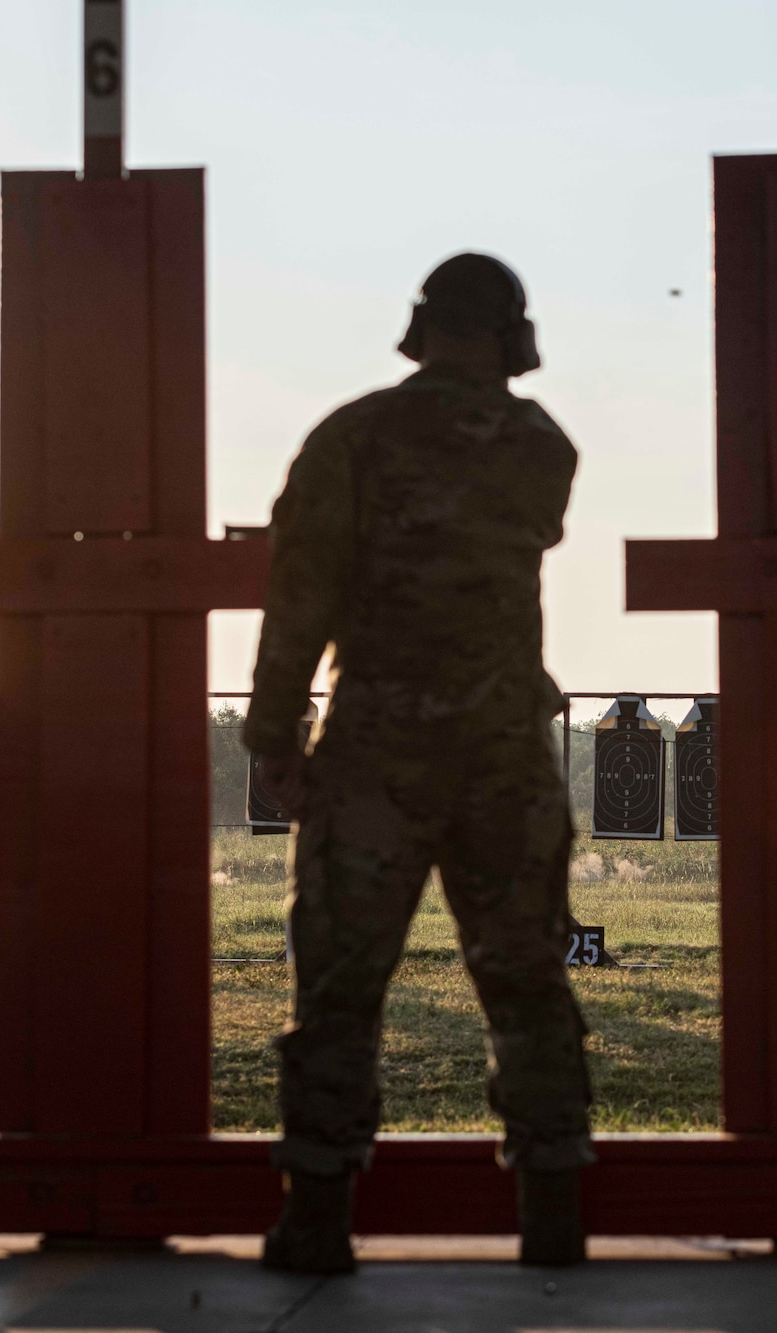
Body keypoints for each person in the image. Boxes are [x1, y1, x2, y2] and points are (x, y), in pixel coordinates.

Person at [245, 253, 592, 1273]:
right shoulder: (540, 447)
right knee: (526, 980)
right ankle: (552, 1212)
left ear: (419, 326)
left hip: (374, 756)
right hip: (502, 755)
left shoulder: (349, 438)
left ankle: (315, 1215)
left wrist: (273, 736)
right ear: (512, 338)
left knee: (340, 990)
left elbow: (298, 594)